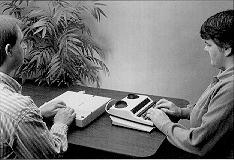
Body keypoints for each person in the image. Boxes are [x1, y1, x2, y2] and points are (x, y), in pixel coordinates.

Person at [146, 9, 233, 158]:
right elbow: (211, 112)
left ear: (226, 49)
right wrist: (181, 112)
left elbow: (197, 143)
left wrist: (163, 123)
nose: (205, 49)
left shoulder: (230, 89)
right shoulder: (225, 73)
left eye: (208, 45)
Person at [0, 15, 76, 158]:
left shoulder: (17, 112)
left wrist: (37, 113)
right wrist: (61, 123)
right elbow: (51, 155)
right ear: (9, 50)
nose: (24, 47)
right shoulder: (19, 109)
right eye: (21, 42)